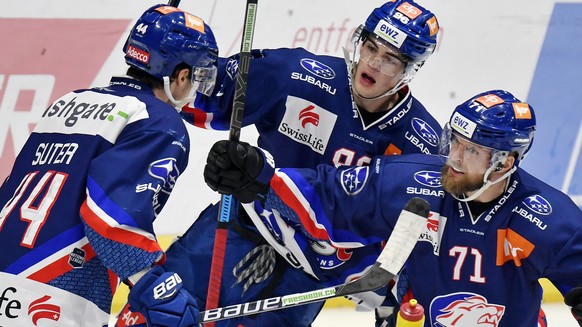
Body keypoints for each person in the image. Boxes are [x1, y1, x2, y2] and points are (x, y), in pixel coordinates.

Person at [117, 1, 442, 326]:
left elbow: (421, 232)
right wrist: (161, 65)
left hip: (314, 274)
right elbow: (205, 87)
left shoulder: (421, 143)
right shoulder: (298, 75)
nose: (372, 62)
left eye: (389, 60)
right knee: (158, 314)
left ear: (410, 70)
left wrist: (404, 288)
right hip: (247, 223)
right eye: (370, 47)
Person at [204, 89, 582, 326]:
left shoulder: (545, 216)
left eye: (472, 151)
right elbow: (331, 197)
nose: (454, 157)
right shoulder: (410, 181)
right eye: (455, 141)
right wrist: (257, 179)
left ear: (504, 163)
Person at [0, 4, 218, 327]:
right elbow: (110, 221)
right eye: (198, 76)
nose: (196, 89)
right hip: (52, 301)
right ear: (181, 74)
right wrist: (158, 288)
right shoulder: (160, 122)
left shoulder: (67, 101)